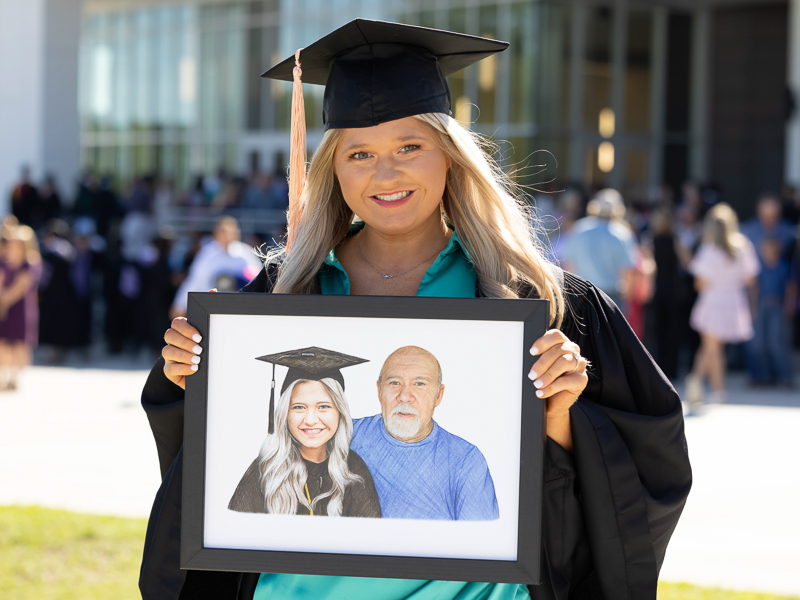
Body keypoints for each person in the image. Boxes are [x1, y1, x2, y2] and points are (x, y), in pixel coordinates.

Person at [140, 20, 691, 600]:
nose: (386, 173)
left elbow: (648, 464)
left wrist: (562, 420)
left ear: (450, 156)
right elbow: (222, 469)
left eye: (410, 146)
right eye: (359, 153)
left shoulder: (538, 301)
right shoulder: (281, 297)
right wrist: (186, 380)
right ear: (333, 169)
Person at [228, 347, 380, 517]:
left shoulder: (353, 469)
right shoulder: (265, 471)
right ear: (284, 414)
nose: (310, 420)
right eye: (299, 407)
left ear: (340, 412)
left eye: (323, 407)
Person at [350, 346, 498, 520]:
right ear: (379, 390)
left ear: (438, 395)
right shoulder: (345, 435)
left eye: (419, 384)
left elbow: (481, 541)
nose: (405, 396)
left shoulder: (466, 460)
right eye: (394, 383)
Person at [685, 203, 760, 406]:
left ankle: (698, 382)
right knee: (713, 348)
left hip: (713, 301)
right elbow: (751, 279)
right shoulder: (743, 246)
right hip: (733, 300)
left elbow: (699, 283)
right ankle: (713, 388)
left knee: (710, 347)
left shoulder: (709, 250)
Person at [169, 216, 262, 318]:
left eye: (230, 232)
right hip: (211, 309)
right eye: (223, 232)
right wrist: (180, 305)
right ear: (216, 233)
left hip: (239, 309)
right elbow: (195, 280)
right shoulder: (207, 254)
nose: (226, 236)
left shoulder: (246, 254)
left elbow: (257, 280)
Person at [561, 188, 638, 309]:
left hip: (584, 295)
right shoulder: (622, 233)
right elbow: (628, 273)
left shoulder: (579, 229)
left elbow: (568, 265)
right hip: (612, 298)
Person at [0, 224, 41, 390]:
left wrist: (3, 302)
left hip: (20, 308)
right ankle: (4, 376)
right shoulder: (5, 262)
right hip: (4, 306)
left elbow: (20, 287)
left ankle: (14, 378)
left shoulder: (30, 263)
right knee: (3, 343)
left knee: (18, 344)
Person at [748, 237, 793, 386]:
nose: (769, 252)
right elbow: (754, 288)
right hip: (761, 305)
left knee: (776, 343)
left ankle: (785, 378)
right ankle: (761, 377)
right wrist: (752, 308)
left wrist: (788, 307)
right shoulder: (757, 266)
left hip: (777, 306)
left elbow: (790, 288)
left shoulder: (783, 266)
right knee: (758, 343)